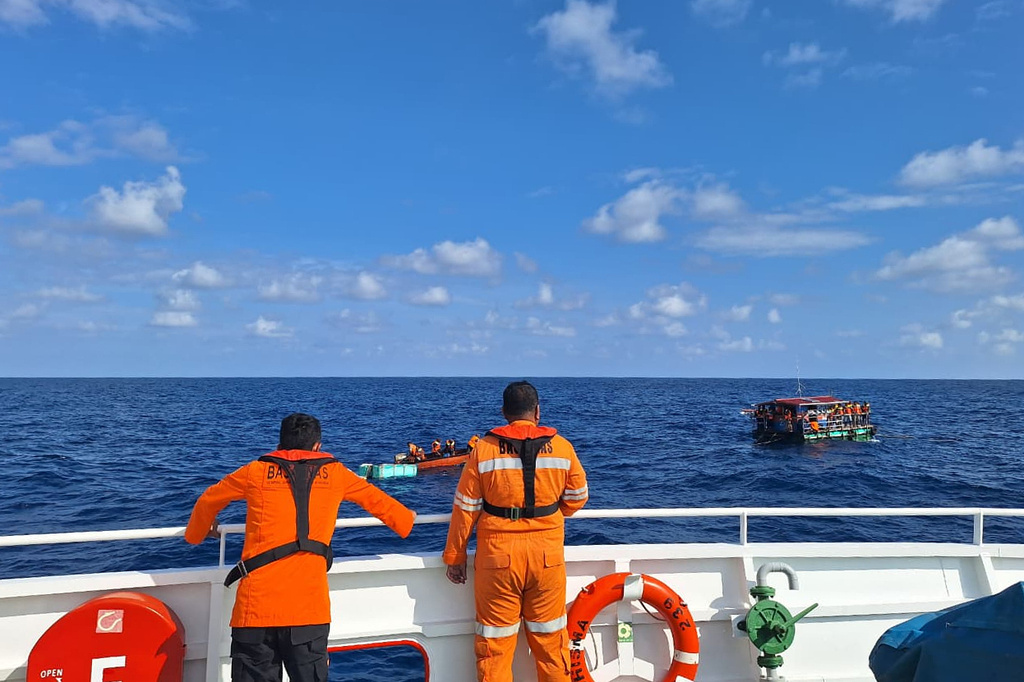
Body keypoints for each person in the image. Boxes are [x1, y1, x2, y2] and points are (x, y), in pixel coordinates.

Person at [185, 413, 416, 682]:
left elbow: (207, 500)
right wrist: (407, 518)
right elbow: (385, 507)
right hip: (309, 610)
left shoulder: (255, 471)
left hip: (256, 611)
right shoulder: (338, 474)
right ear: (317, 446)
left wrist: (199, 532)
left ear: (281, 444)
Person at [443, 381, 588, 682]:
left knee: (494, 647)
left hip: (497, 559)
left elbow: (465, 508)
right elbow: (578, 497)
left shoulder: (484, 450)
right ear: (537, 411)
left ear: (503, 412)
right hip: (547, 557)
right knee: (552, 646)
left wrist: (455, 556)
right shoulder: (561, 446)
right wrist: (550, 515)